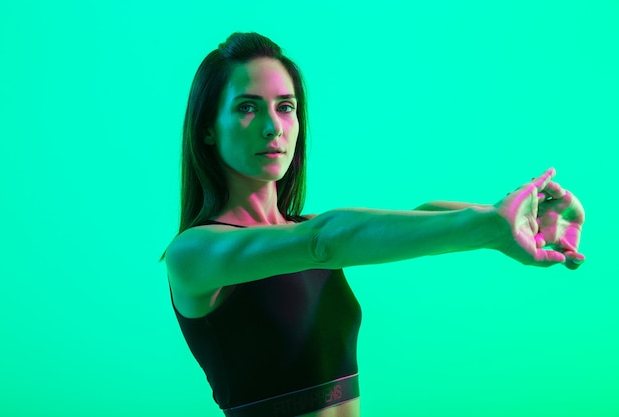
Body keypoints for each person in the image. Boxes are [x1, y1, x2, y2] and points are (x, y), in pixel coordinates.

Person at [163, 32, 585, 417]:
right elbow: (323, 241)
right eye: (247, 107)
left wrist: (512, 221)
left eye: (285, 107)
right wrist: (490, 226)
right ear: (207, 131)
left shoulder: (307, 228)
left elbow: (417, 216)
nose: (273, 127)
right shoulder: (195, 254)